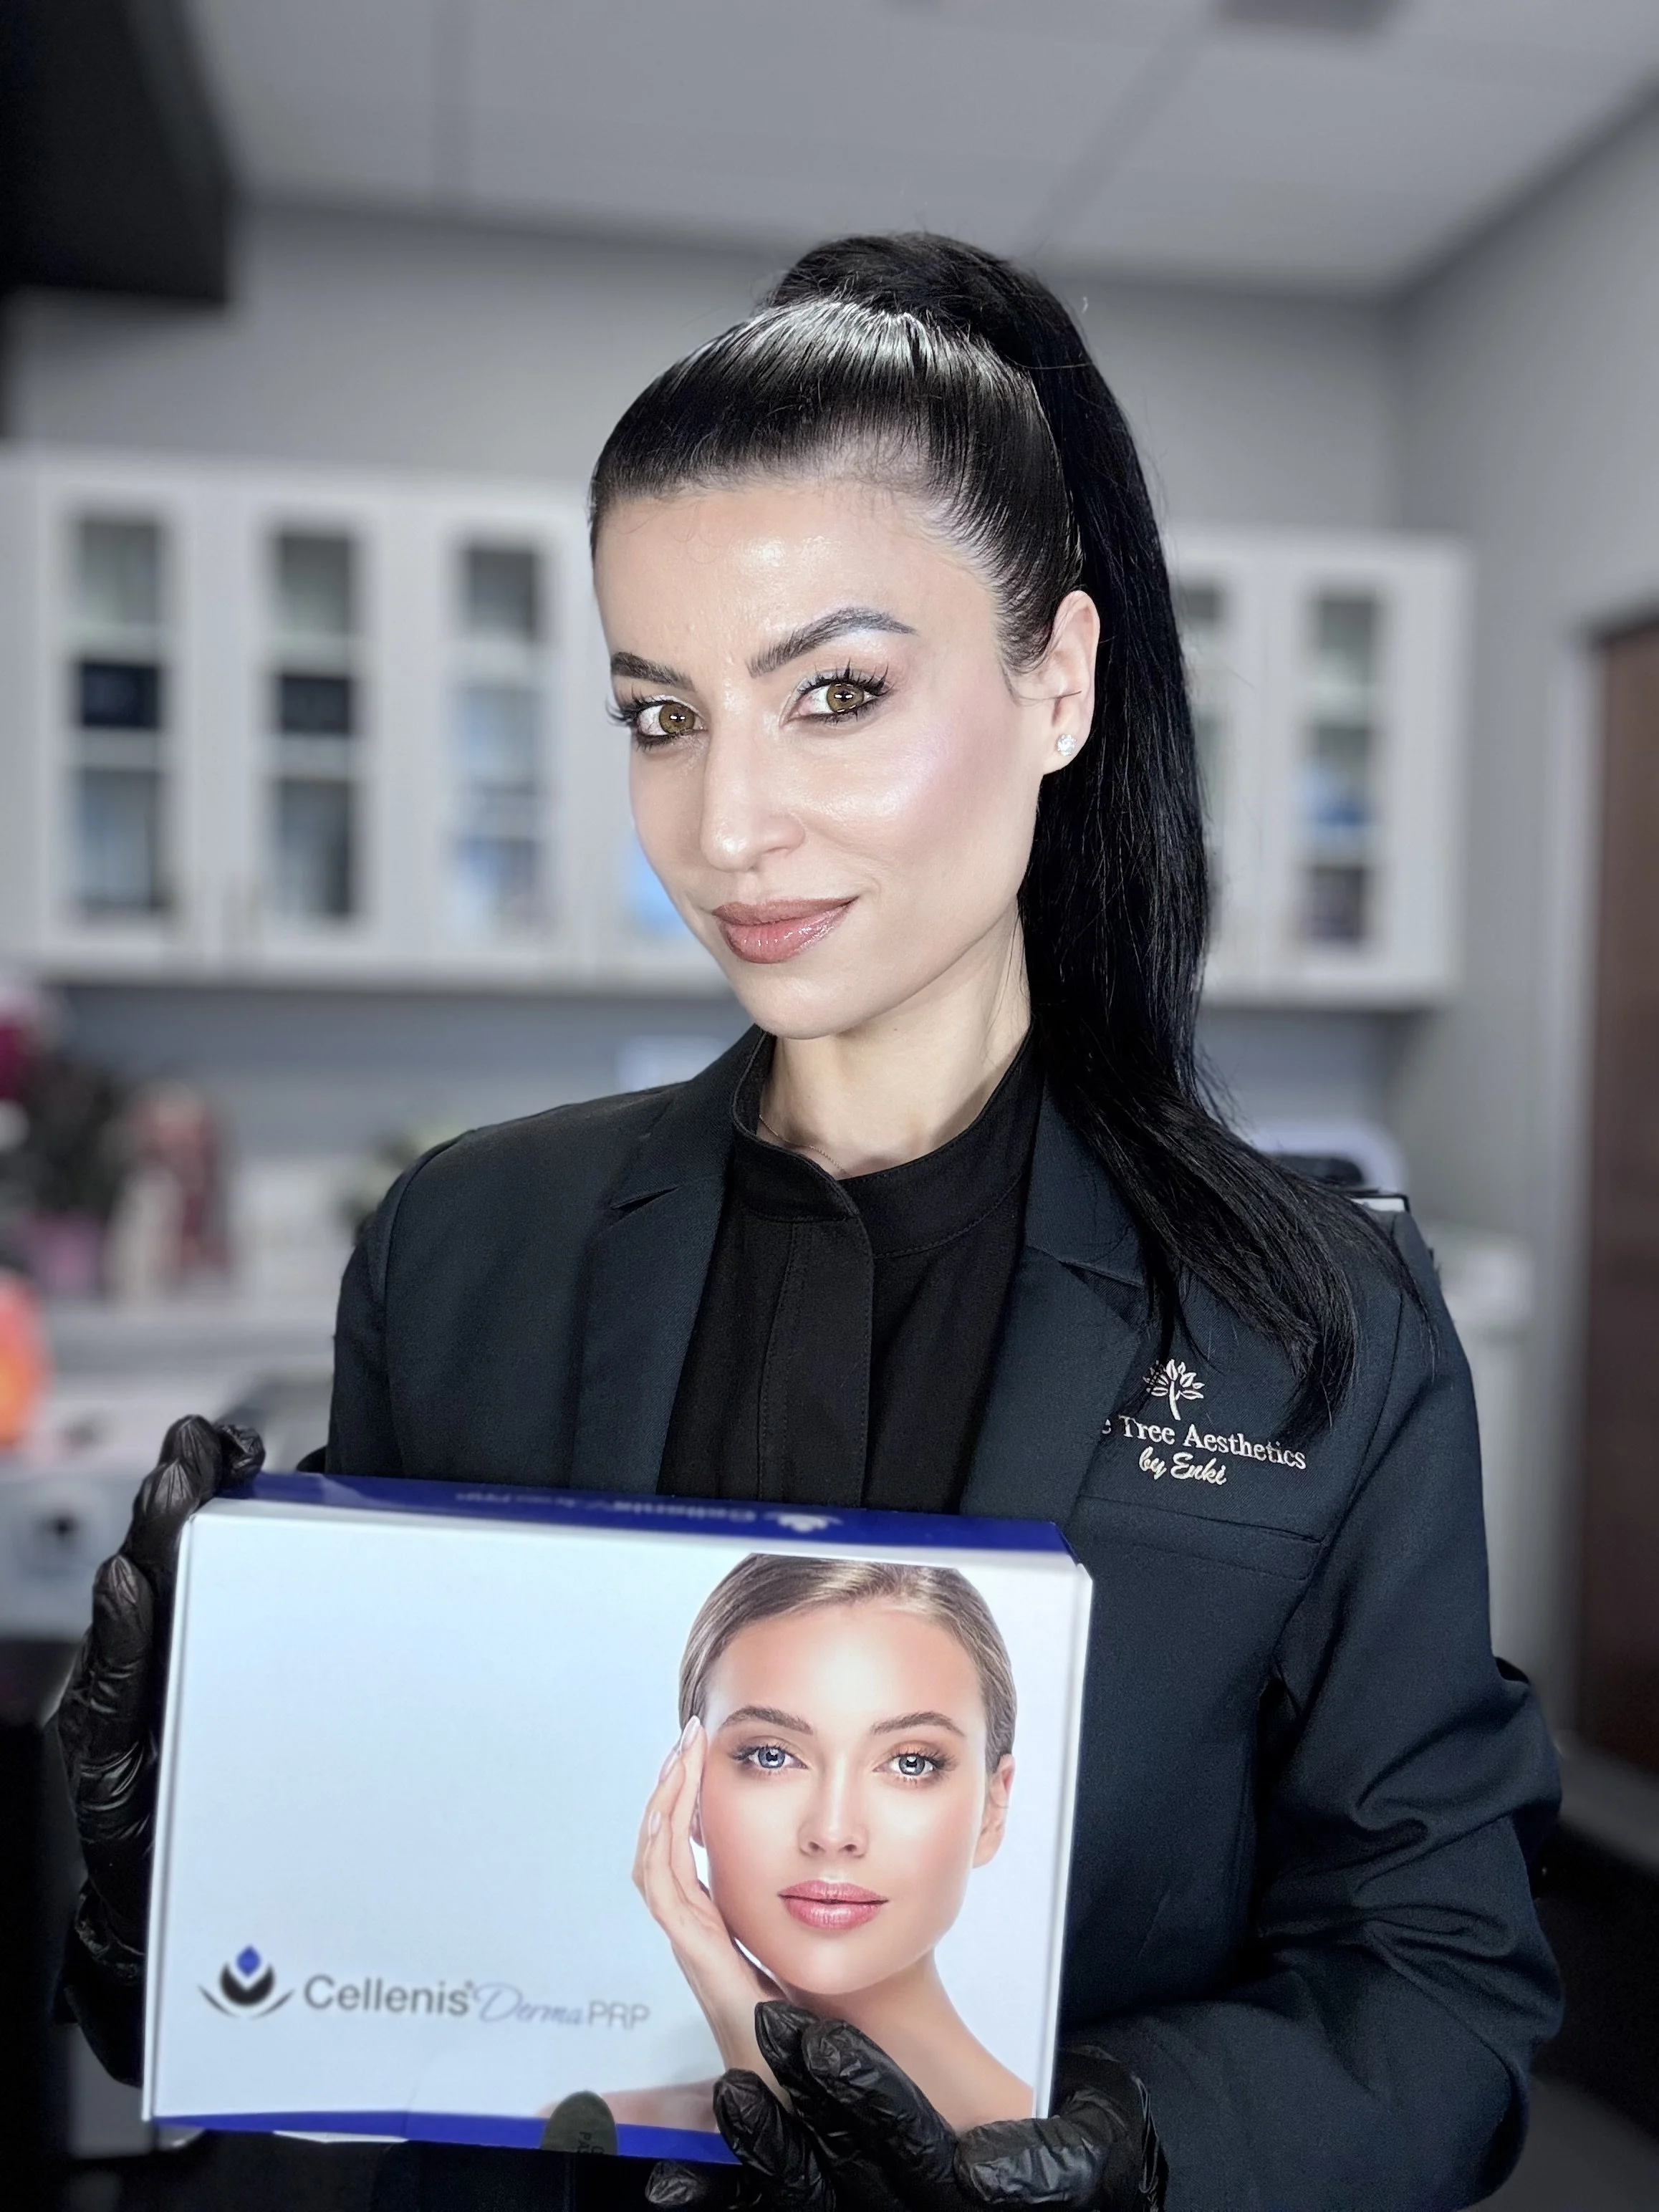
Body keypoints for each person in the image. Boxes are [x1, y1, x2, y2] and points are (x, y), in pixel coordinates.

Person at [55, 232, 1559, 2212]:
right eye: (658, 716)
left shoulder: (1315, 1316)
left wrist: (1112, 2149)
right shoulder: (468, 1247)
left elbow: (1439, 1991)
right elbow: (332, 1984)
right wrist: (161, 1879)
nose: (722, 825)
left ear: (1058, 683)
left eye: (831, 693)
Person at [602, 1556, 1026, 2138]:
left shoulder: (1092, 2180)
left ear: (993, 1809)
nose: (832, 1831)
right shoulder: (595, 2130)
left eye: (910, 1763)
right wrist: (744, 2031)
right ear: (690, 1788)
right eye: (771, 1756)